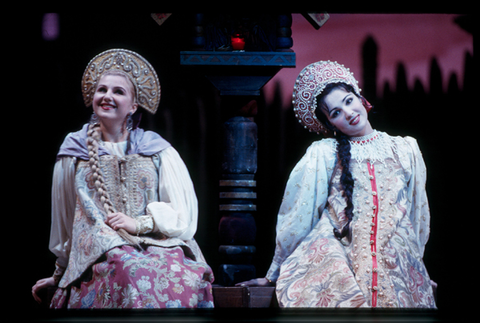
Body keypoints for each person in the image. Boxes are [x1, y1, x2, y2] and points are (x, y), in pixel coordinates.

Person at [237, 61, 436, 308]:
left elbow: (417, 215)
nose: (348, 112)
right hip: (342, 254)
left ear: (360, 98)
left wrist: (418, 265)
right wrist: (274, 274)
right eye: (335, 113)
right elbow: (298, 215)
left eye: (348, 100)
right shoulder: (324, 153)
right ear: (331, 124)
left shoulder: (405, 148)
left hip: (396, 259)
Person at [32, 49, 214, 308]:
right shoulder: (74, 150)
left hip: (157, 243)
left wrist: (139, 224)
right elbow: (64, 220)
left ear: (134, 105)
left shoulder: (157, 150)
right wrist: (60, 273)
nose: (107, 96)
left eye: (118, 91)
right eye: (102, 90)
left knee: (181, 273)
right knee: (128, 268)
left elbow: (183, 216)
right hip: (101, 252)